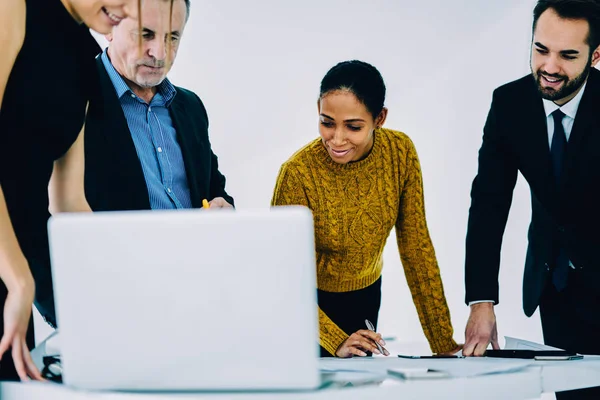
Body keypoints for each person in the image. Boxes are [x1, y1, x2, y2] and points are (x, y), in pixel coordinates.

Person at [271, 60, 461, 358]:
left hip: (366, 297)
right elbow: (284, 275)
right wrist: (334, 340)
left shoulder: (400, 152)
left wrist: (444, 345)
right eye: (327, 122)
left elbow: (416, 249)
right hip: (306, 307)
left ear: (379, 118)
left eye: (354, 126)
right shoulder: (297, 174)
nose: (336, 139)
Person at [463, 0, 600, 398]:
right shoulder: (509, 105)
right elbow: (489, 203)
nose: (550, 66)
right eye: (541, 49)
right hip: (554, 287)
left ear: (595, 56)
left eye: (567, 55)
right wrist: (481, 301)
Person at [0, 0, 138, 381]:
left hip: (16, 274)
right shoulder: (13, 7)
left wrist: (121, 288)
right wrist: (18, 279)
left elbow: (69, 201)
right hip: (11, 271)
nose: (128, 10)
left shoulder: (83, 58)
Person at [85, 0, 234, 211]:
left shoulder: (191, 107)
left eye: (172, 37)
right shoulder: (74, 101)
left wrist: (222, 207)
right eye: (145, 34)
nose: (160, 54)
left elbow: (214, 191)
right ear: (110, 28)